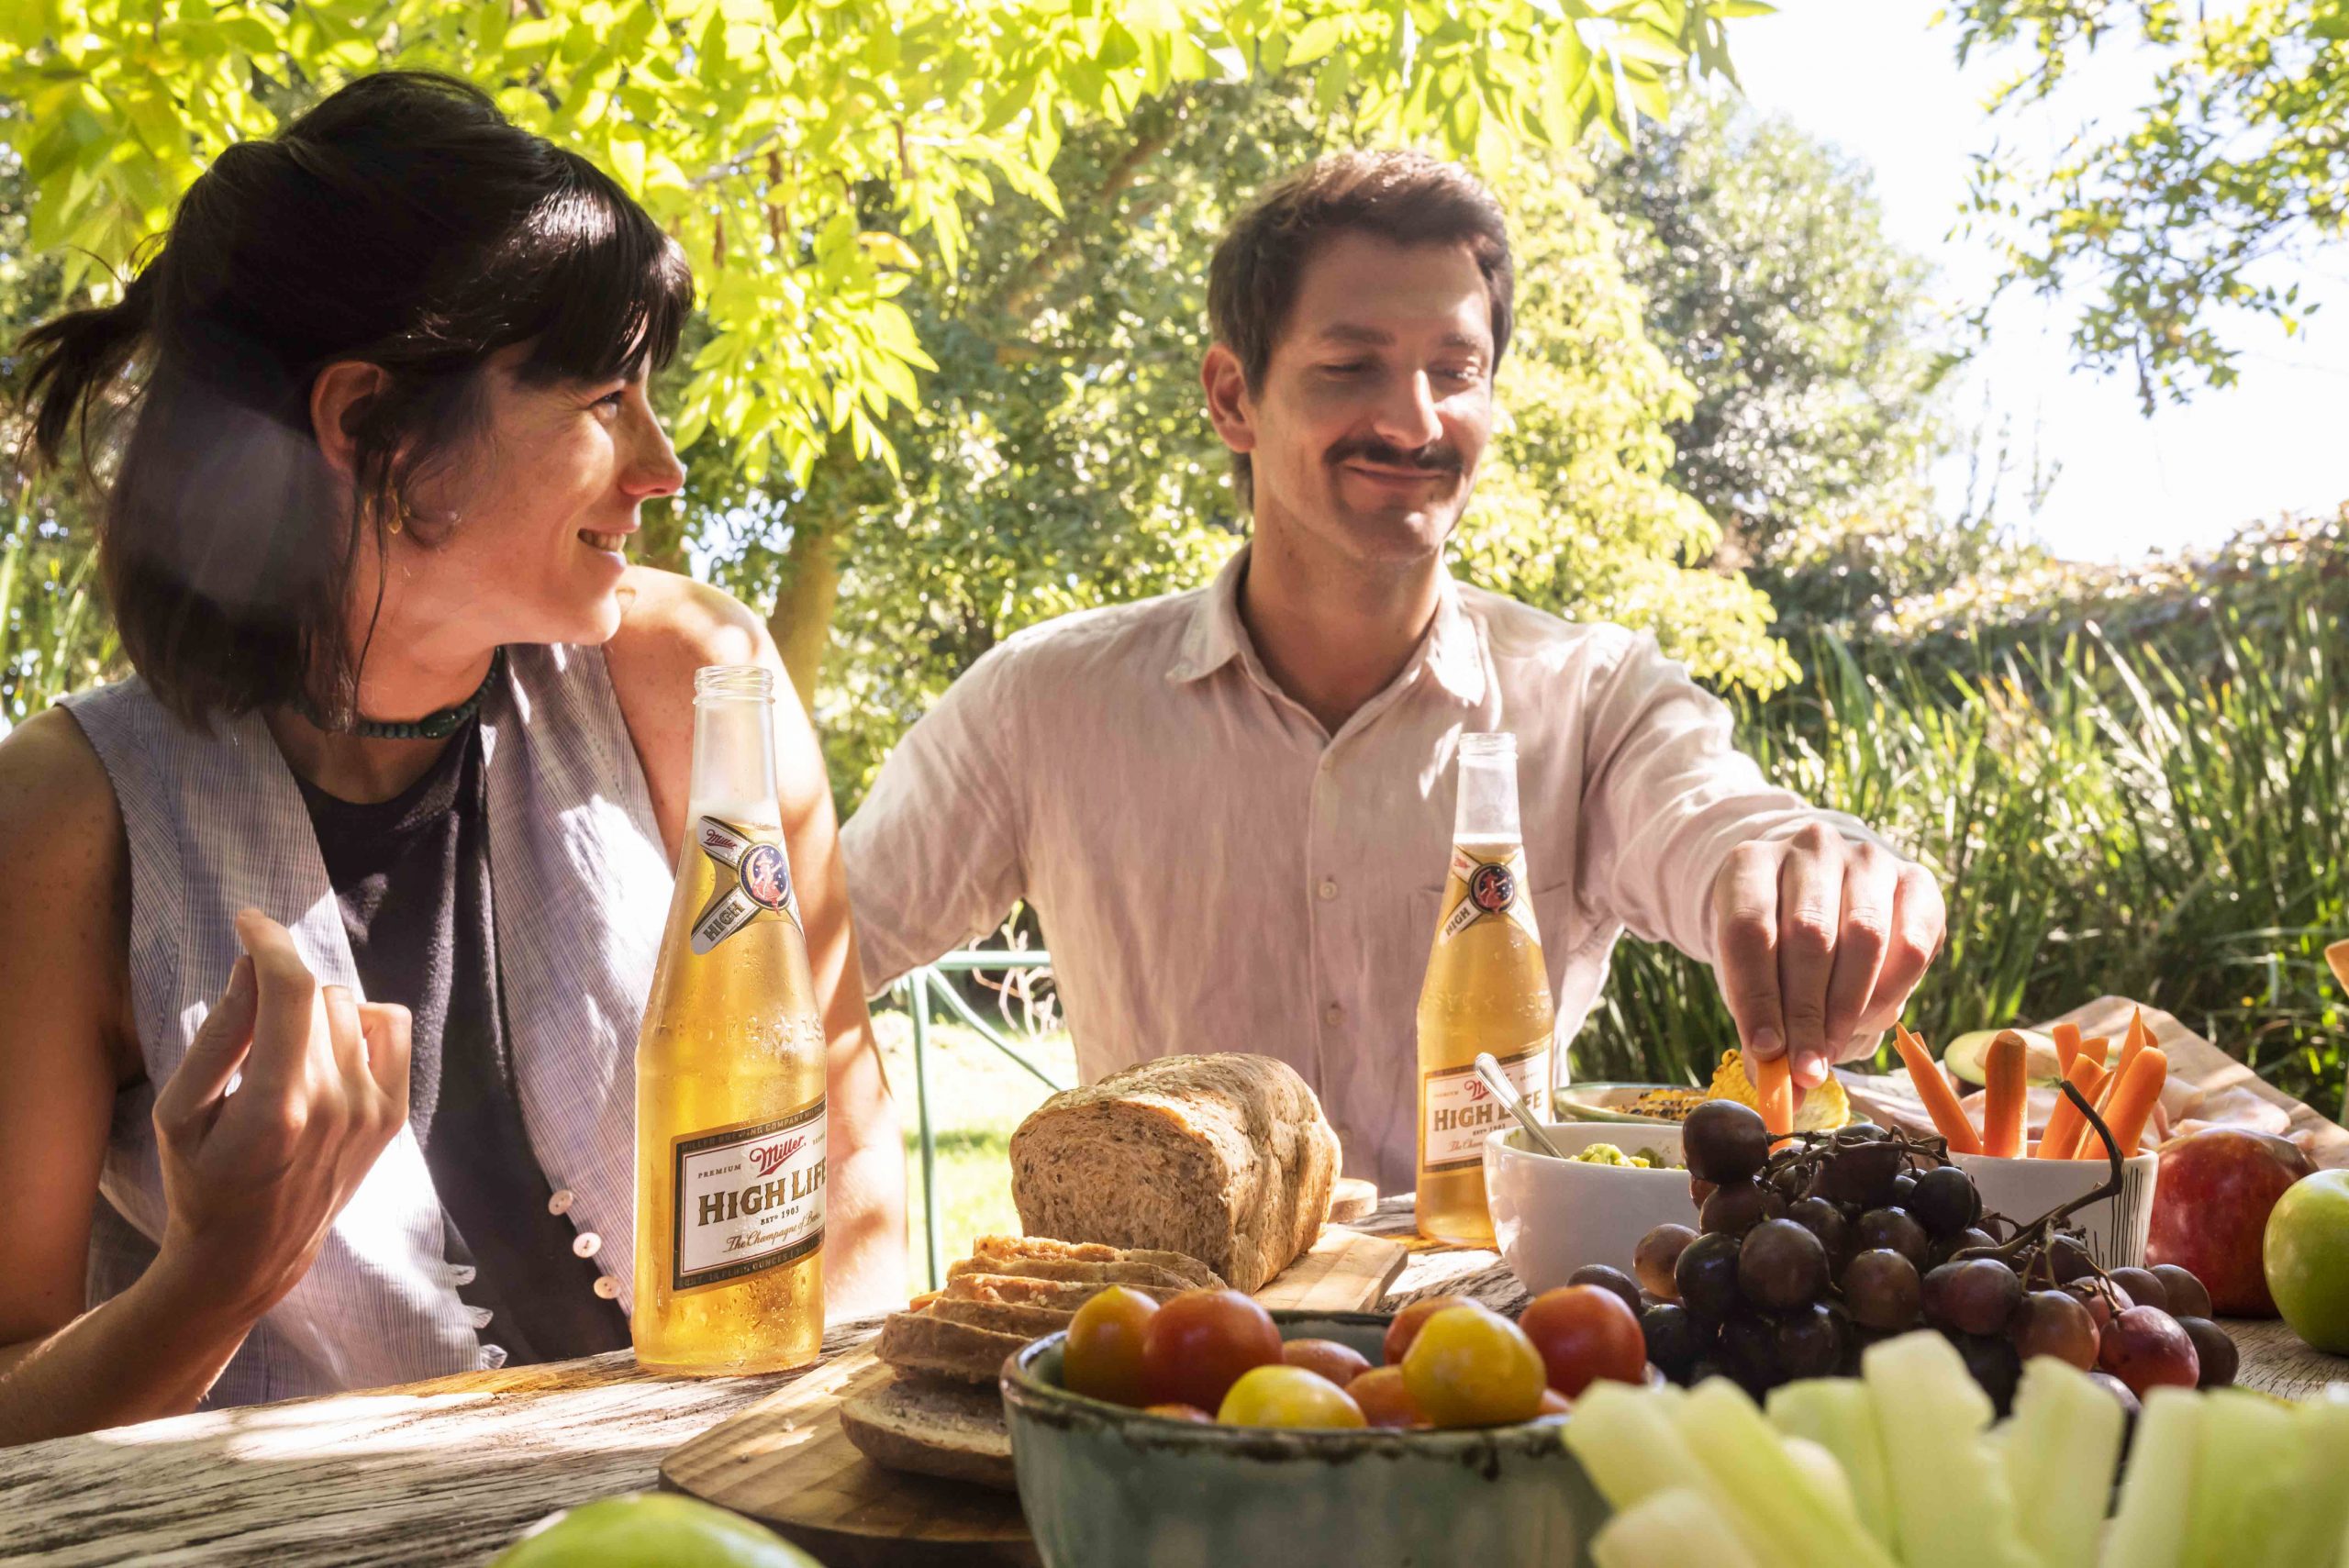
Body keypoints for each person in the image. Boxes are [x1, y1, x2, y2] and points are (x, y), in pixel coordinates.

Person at [0, 72, 905, 1443]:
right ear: (368, 425)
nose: (661, 467)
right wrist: (213, 1280)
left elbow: (848, 1165)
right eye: (608, 397)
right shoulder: (68, 821)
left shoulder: (693, 684)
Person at [842, 151, 1945, 1194]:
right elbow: (808, 956)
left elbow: (1713, 823)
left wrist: (1802, 865)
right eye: (1351, 365)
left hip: (1506, 1353)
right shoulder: (1044, 702)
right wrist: (849, 1210)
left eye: (1455, 370)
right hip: (1160, 1361)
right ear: (1233, 396)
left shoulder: (1590, 696)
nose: (1414, 420)